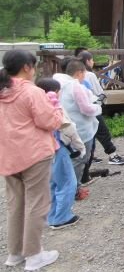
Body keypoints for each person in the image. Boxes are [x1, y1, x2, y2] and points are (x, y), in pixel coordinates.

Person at [0, 50, 63, 271]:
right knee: (37, 202)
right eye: (33, 66)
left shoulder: (2, 91)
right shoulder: (31, 92)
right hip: (34, 153)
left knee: (15, 204)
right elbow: (50, 121)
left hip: (7, 154)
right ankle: (34, 254)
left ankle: (15, 253)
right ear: (27, 67)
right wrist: (57, 110)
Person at [35, 78, 81, 230]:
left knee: (52, 183)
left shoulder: (35, 105)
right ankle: (62, 217)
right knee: (67, 181)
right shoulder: (54, 105)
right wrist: (79, 146)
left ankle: (52, 215)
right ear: (55, 92)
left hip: (42, 149)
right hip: (57, 147)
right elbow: (68, 128)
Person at [78, 51, 124, 165]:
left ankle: (89, 155)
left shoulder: (74, 77)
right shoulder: (89, 75)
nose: (93, 62)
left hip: (81, 108)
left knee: (89, 133)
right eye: (92, 60)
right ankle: (112, 156)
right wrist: (102, 101)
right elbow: (99, 91)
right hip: (92, 106)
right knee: (103, 132)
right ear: (87, 61)